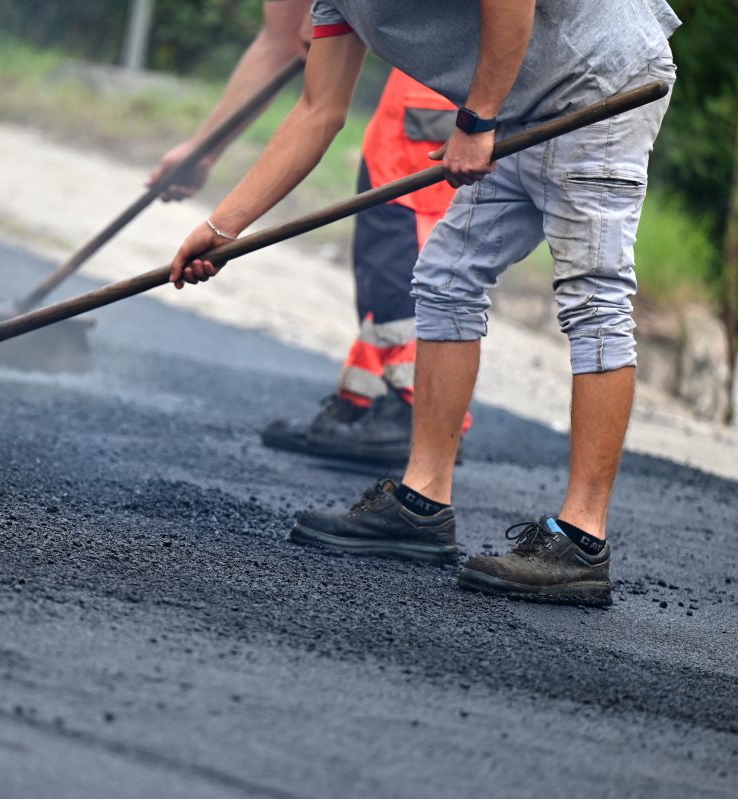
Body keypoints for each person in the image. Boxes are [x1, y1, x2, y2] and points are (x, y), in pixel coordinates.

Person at [166, 0, 679, 606]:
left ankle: (583, 540)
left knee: (594, 299)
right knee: (445, 277)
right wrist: (225, 230)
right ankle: (423, 501)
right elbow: (318, 112)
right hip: (521, 100)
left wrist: (477, 119)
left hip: (601, 83)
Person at [149, 1, 462, 466]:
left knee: (402, 197)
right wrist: (205, 157)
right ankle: (370, 401)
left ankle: (412, 410)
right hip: (455, 53)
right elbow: (288, 48)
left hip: (477, 58)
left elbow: (305, 66)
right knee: (384, 174)